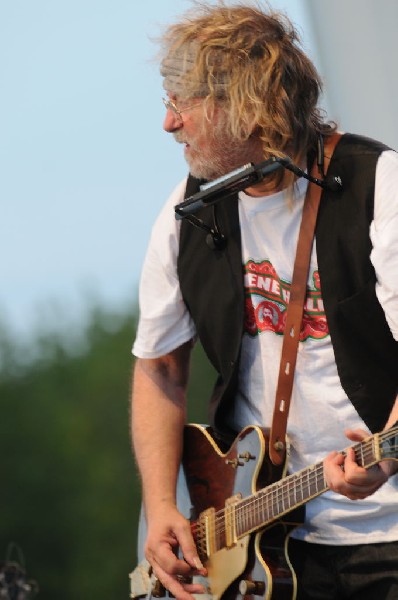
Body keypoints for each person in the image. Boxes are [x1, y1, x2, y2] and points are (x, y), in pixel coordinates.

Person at [130, 2, 398, 599]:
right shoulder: (186, 214)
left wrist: (390, 452)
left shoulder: (380, 186)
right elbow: (160, 367)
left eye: (181, 103)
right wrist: (158, 507)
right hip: (262, 544)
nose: (169, 125)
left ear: (244, 106)